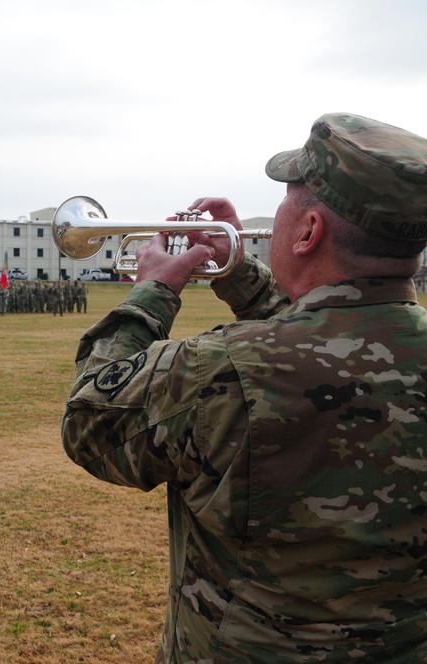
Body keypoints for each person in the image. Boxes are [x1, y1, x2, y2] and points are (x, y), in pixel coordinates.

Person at [61, 113, 427, 662]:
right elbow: (332, 336)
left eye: (285, 203)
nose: (274, 218)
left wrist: (152, 291)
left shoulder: (227, 369)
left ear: (308, 232)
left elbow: (90, 421)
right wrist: (236, 272)